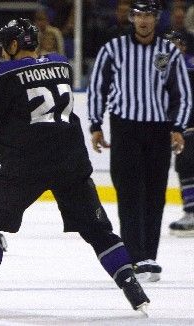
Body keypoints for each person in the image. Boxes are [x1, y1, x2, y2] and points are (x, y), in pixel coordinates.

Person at [0, 18, 150, 316]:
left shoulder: (1, 73)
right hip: (72, 161)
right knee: (99, 230)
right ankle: (132, 286)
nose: (3, 52)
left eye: (6, 46)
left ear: (14, 45)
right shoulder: (61, 63)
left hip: (26, 163)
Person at [87, 0, 192, 282]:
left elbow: (181, 93)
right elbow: (98, 86)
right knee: (129, 193)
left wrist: (178, 127)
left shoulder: (168, 51)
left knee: (155, 195)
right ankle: (134, 256)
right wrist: (96, 124)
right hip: (125, 129)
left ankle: (149, 257)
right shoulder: (113, 49)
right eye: (139, 15)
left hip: (158, 130)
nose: (144, 20)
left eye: (149, 15)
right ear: (132, 18)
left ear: (157, 19)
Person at [163, 31, 194, 237]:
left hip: (188, 125)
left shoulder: (186, 64)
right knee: (184, 163)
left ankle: (191, 213)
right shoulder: (162, 66)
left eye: (176, 43)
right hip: (181, 125)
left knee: (186, 162)